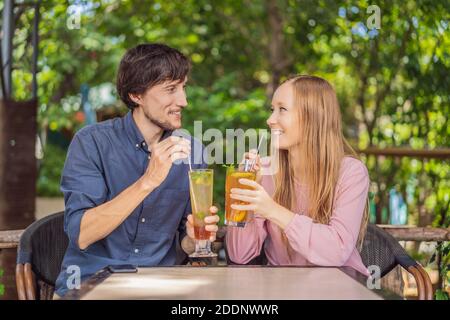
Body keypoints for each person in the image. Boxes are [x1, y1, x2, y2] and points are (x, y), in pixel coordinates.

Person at [55, 44, 219, 297]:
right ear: (136, 95)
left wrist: (193, 240)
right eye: (170, 90)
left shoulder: (192, 153)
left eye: (183, 87)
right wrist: (148, 180)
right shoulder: (91, 143)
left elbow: (182, 246)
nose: (183, 101)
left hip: (161, 288)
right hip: (91, 286)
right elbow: (82, 234)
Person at [226, 75, 369, 275]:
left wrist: (272, 210)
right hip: (284, 289)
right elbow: (239, 255)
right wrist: (246, 200)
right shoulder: (265, 171)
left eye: (282, 110)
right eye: (271, 110)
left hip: (339, 288)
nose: (270, 120)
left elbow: (337, 251)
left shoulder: (350, 173)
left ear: (313, 117)